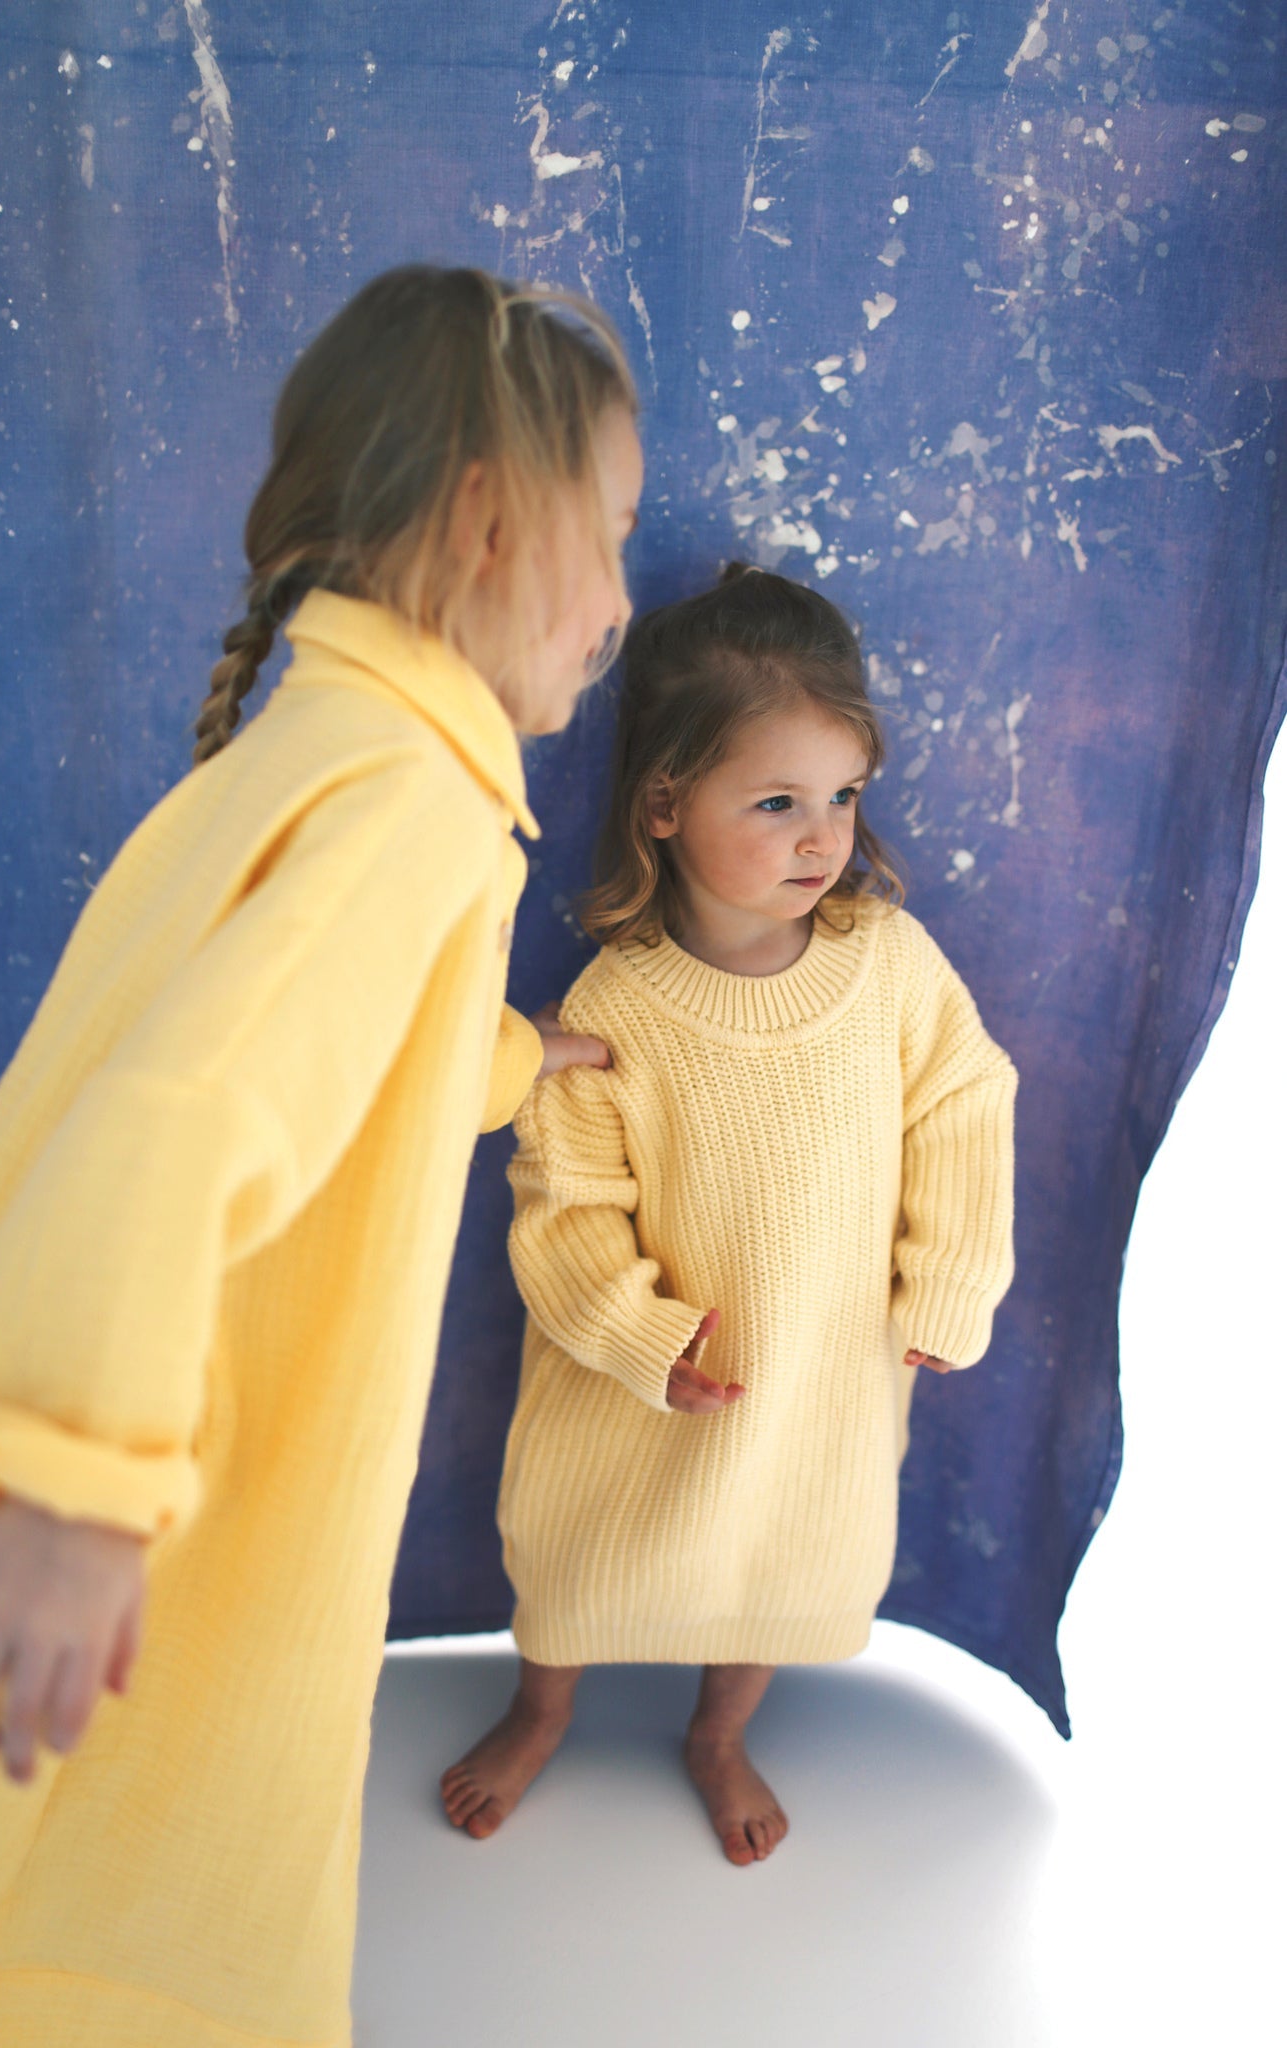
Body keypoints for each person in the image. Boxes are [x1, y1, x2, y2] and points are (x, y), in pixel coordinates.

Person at [0, 266, 641, 2045]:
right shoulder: (407, 800)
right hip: (142, 1480)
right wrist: (80, 1484)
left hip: (71, 1422)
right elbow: (170, 1129)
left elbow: (308, 1055)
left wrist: (496, 1055)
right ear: (482, 521)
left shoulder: (337, 741)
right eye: (608, 537)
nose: (622, 602)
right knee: (98, 1870)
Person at [441, 563, 1017, 1866]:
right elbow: (564, 1210)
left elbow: (966, 1108)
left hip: (819, 1371)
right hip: (648, 1377)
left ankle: (718, 1730)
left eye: (841, 797)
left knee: (786, 1555)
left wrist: (947, 1285)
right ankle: (540, 1712)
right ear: (664, 804)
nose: (822, 838)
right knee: (578, 1563)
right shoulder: (610, 1012)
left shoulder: (886, 966)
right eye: (776, 803)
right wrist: (644, 1338)